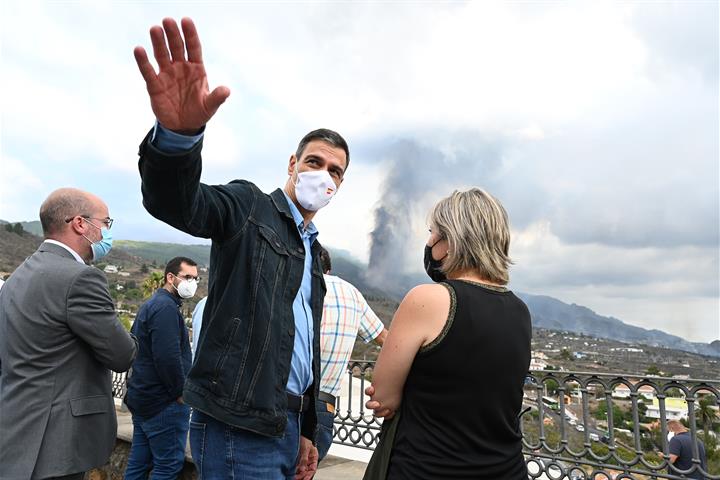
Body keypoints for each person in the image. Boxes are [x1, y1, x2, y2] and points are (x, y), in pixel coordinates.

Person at [134, 17, 349, 479]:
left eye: (335, 171)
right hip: (237, 426)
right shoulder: (249, 207)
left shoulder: (313, 253)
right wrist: (178, 139)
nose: (323, 175)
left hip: (286, 425)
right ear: (292, 164)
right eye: (314, 162)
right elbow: (178, 202)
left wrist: (307, 428)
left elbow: (302, 349)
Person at [363, 188, 531, 479]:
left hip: (427, 469)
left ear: (452, 240)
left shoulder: (426, 299)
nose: (429, 242)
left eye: (433, 233)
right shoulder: (521, 311)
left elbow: (384, 396)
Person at [0, 188, 138, 479]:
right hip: (57, 441)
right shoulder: (81, 278)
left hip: (16, 429)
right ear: (80, 224)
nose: (107, 232)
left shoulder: (18, 276)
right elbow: (121, 354)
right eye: (105, 223)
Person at [306, 247, 388, 464]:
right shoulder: (351, 293)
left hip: (284, 400)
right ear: (329, 270)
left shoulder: (296, 285)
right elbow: (385, 339)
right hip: (324, 406)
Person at [123, 256, 198, 479]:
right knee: (167, 466)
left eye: (195, 278)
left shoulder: (153, 304)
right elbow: (167, 358)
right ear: (170, 277)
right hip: (163, 403)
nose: (192, 283)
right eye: (187, 277)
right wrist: (179, 393)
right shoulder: (165, 309)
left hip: (144, 398)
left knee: (139, 463)